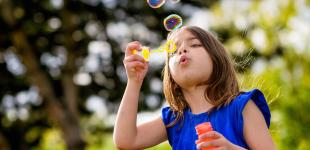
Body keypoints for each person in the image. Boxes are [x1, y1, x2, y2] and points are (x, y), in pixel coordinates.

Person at [113, 26, 276, 150]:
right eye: (174, 51)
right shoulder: (174, 120)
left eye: (195, 44)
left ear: (217, 59)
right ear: (170, 74)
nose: (182, 50)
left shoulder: (241, 107)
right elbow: (126, 141)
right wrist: (134, 82)